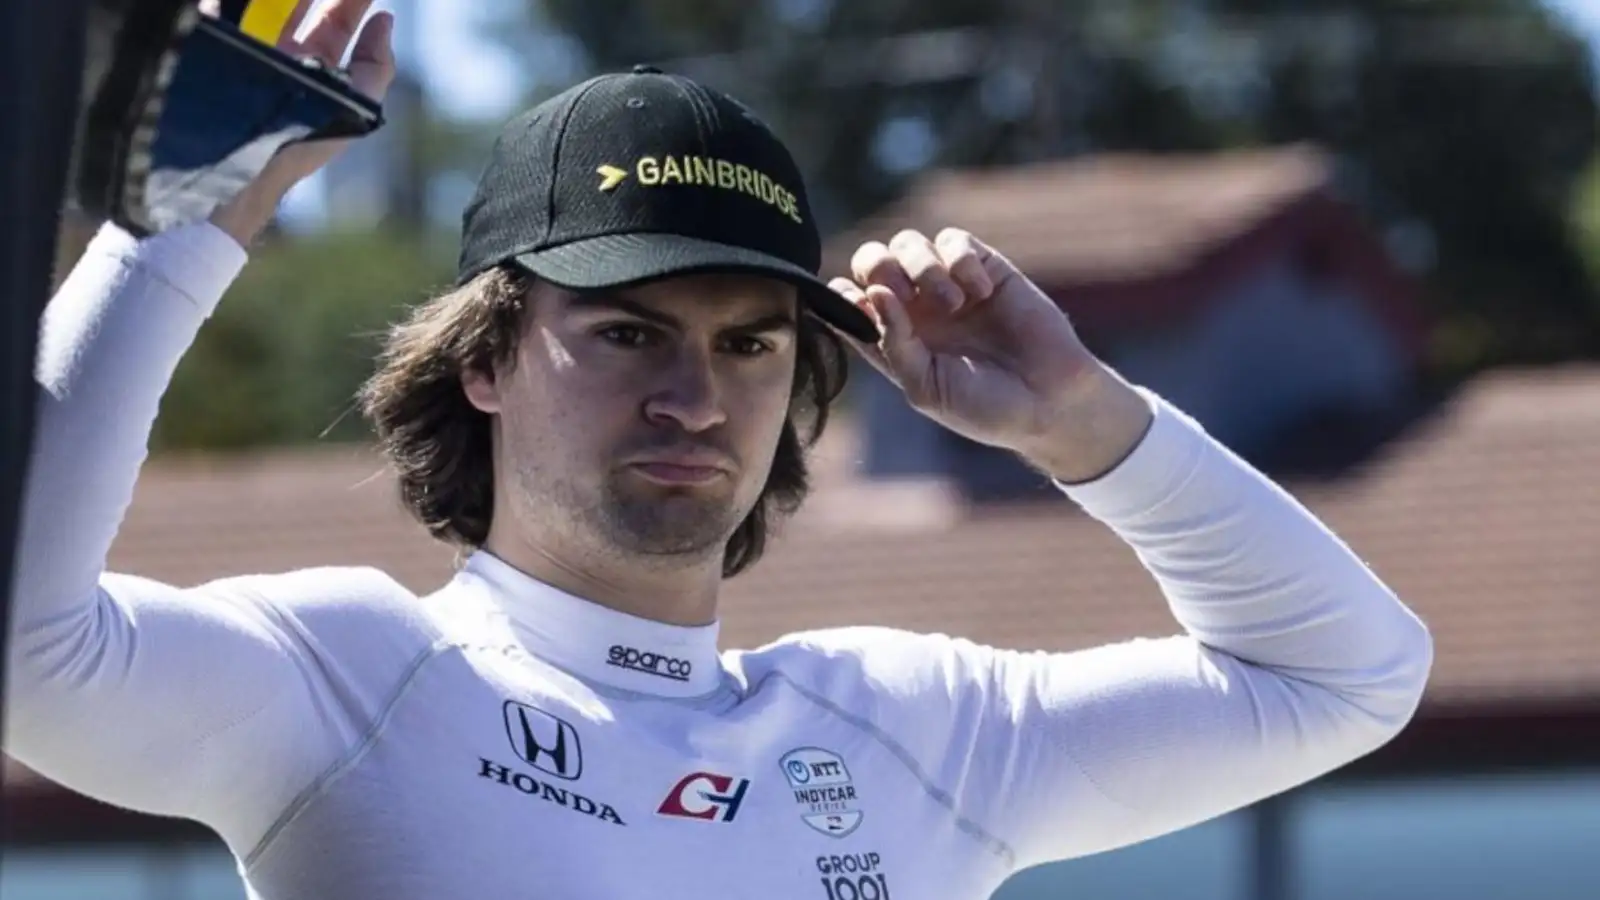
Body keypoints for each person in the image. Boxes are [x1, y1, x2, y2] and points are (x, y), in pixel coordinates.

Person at [6, 1, 1434, 898]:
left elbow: (1350, 676)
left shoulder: (910, 727)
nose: (699, 394)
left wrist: (1093, 427)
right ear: (486, 361)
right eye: (628, 334)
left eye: (750, 342)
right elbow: (19, 643)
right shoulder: (348, 682)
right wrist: (188, 226)